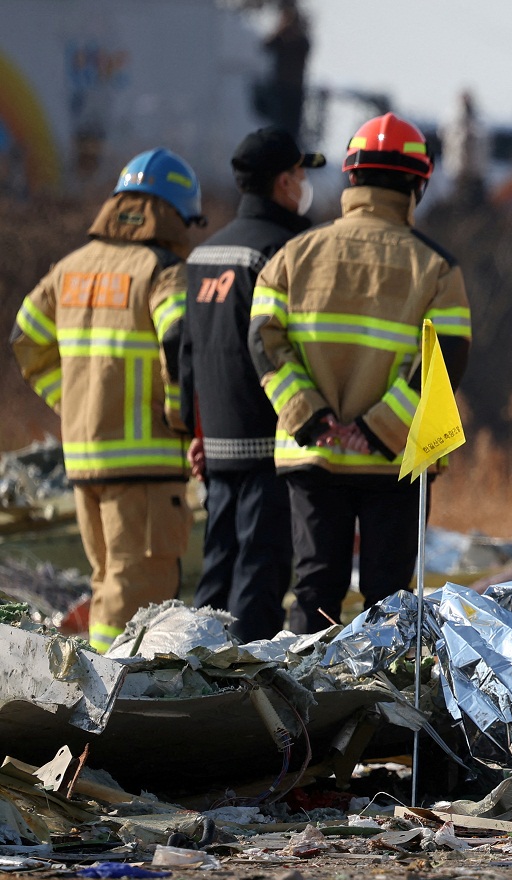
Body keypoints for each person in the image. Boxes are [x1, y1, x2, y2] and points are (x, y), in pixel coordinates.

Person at [249, 112, 471, 633]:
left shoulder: (291, 255)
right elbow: (447, 359)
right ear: (417, 185)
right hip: (395, 461)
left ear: (351, 178)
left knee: (313, 594)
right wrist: (376, 430)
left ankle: (299, 709)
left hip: (311, 453)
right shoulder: (436, 266)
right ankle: (379, 707)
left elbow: (263, 340)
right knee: (389, 604)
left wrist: (312, 418)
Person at [11, 148, 205, 651]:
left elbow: (25, 338)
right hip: (145, 468)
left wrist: (73, 404)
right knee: (137, 597)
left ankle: (98, 699)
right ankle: (114, 710)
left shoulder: (69, 269)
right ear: (175, 213)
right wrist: (181, 419)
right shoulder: (164, 270)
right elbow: (179, 340)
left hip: (85, 463)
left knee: (106, 587)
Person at [179, 126, 324, 643]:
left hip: (215, 447)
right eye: (302, 175)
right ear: (284, 181)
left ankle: (193, 680)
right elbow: (297, 348)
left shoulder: (201, 258)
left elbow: (186, 353)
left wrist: (194, 434)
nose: (306, 185)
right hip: (272, 447)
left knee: (215, 576)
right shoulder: (287, 252)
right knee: (260, 582)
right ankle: (240, 699)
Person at [259, 1, 312, 139]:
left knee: (290, 130)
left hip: (292, 89)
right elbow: (267, 46)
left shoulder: (300, 41)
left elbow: (304, 47)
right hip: (281, 88)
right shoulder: (282, 39)